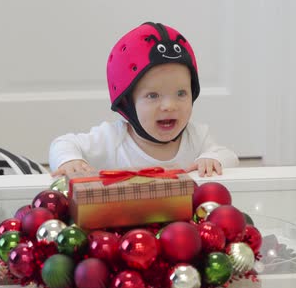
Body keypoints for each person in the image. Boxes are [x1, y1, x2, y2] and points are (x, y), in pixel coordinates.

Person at [49, 22, 239, 177]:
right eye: (153, 96)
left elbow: (229, 156)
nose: (169, 106)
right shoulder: (112, 139)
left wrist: (210, 159)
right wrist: (70, 160)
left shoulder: (197, 137)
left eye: (181, 93)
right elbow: (63, 143)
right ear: (126, 103)